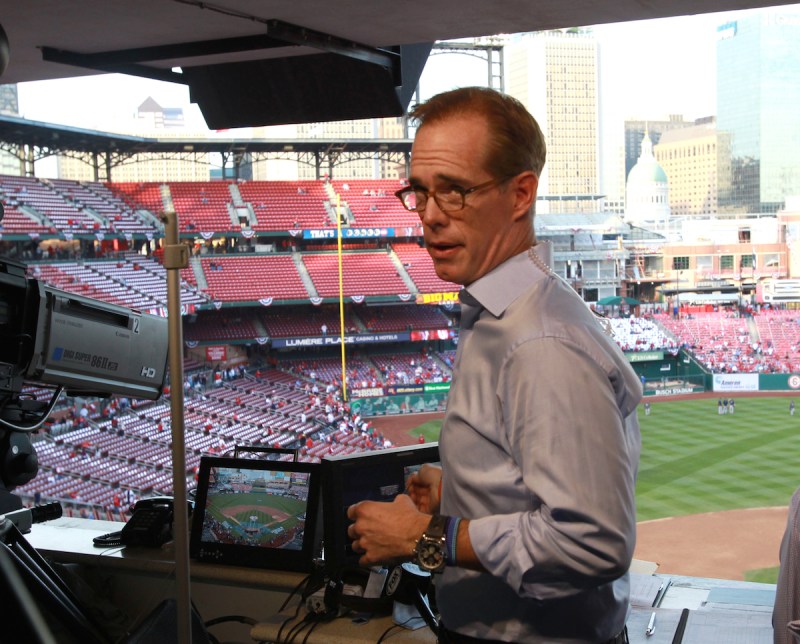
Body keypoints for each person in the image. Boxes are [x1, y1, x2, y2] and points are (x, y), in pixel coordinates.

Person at [346, 87, 641, 643]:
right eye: (420, 192)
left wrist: (428, 536)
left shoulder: (540, 342)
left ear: (520, 194)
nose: (430, 217)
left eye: (455, 192)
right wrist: (462, 493)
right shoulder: (500, 316)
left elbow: (593, 543)